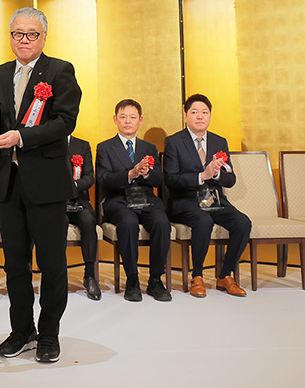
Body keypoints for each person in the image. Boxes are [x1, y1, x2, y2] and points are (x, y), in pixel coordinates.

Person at [0, 6, 82, 364]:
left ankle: (49, 333)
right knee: (15, 263)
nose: (24, 39)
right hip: (8, 181)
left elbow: (64, 122)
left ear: (43, 37)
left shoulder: (60, 70)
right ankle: (21, 330)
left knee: (52, 263)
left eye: (31, 34)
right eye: (18, 33)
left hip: (47, 182)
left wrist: (21, 136)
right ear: (10, 36)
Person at [163, 93, 251, 298]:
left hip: (214, 200)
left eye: (204, 112)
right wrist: (203, 175)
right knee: (203, 221)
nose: (200, 116)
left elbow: (231, 179)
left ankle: (225, 275)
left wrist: (217, 174)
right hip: (184, 200)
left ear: (210, 116)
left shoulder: (219, 141)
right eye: (194, 112)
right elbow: (171, 179)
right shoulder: (174, 142)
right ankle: (197, 276)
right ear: (185, 115)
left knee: (242, 222)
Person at [96, 99, 172, 303]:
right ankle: (132, 278)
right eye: (123, 117)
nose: (128, 121)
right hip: (119, 199)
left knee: (162, 222)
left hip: (146, 198)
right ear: (115, 119)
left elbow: (159, 180)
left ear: (140, 120)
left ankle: (155, 279)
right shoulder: (105, 147)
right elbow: (103, 179)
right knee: (128, 222)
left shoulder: (150, 148)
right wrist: (130, 174)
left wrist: (146, 174)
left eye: (132, 117)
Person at [66, 135, 101, 301]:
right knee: (57, 223)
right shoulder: (47, 142)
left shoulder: (82, 145)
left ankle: (90, 275)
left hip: (78, 199)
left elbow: (89, 177)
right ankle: (57, 274)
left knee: (88, 220)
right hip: (54, 201)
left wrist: (73, 186)